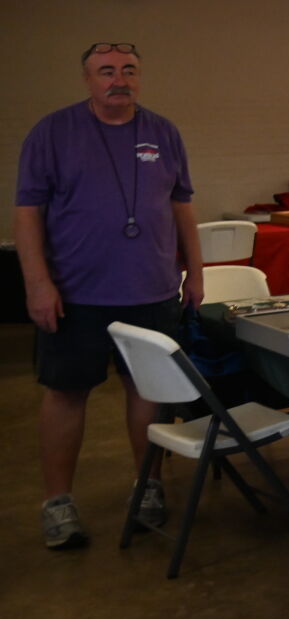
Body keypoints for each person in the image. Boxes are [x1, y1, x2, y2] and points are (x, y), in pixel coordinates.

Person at [16, 41, 204, 550]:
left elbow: (182, 206)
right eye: (105, 71)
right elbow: (28, 212)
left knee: (147, 391)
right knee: (66, 393)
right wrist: (37, 282)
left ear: (139, 76)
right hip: (75, 296)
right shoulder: (52, 133)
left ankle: (149, 487)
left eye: (128, 70)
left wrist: (198, 271)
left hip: (151, 292)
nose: (117, 79)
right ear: (87, 79)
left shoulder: (163, 133)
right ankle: (58, 502)